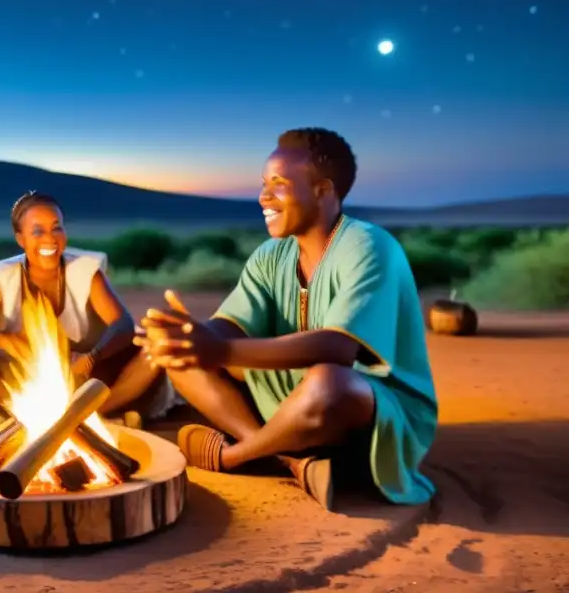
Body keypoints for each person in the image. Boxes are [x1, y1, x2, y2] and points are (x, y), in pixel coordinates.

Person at [136, 128, 437, 512]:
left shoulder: (369, 246)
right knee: (182, 357)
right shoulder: (271, 254)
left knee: (328, 382)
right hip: (291, 395)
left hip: (367, 407)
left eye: (278, 185)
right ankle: (284, 456)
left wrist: (220, 348)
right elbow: (231, 325)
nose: (263, 197)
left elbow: (339, 348)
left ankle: (237, 456)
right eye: (263, 185)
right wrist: (193, 336)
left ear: (322, 191)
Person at [0, 191, 175, 429]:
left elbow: (122, 323)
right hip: (26, 377)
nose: (49, 238)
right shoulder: (4, 276)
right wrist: (6, 341)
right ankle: (20, 415)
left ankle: (87, 418)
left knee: (154, 349)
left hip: (86, 376)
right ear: (20, 238)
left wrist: (92, 358)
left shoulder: (85, 270)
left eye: (56, 228)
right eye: (37, 231)